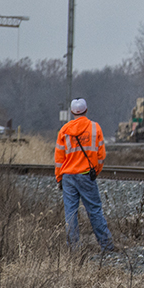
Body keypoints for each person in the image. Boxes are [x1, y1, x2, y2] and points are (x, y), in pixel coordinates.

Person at [55, 98, 116, 250]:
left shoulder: (64, 131)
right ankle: (106, 245)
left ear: (71, 112)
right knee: (94, 210)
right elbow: (101, 155)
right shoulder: (95, 128)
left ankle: (74, 249)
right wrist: (96, 171)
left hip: (68, 177)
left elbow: (59, 159)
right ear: (86, 110)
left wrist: (59, 177)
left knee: (70, 213)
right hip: (87, 175)